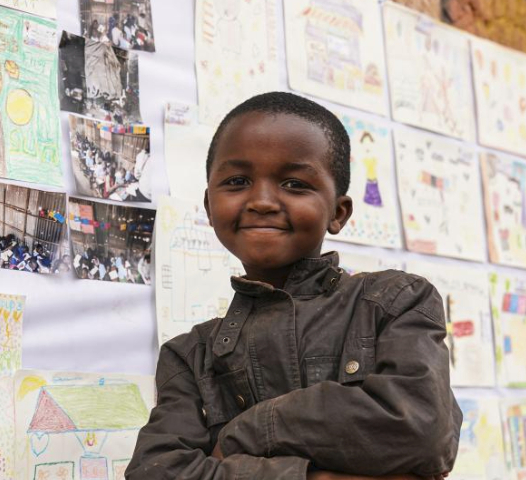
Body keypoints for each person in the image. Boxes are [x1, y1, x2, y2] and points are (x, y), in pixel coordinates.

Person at [126, 92, 461, 479]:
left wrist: (248, 432)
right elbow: (157, 473)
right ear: (208, 206)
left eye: (294, 184)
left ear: (338, 212)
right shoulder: (190, 356)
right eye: (237, 181)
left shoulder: (394, 303)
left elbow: (420, 429)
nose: (262, 201)